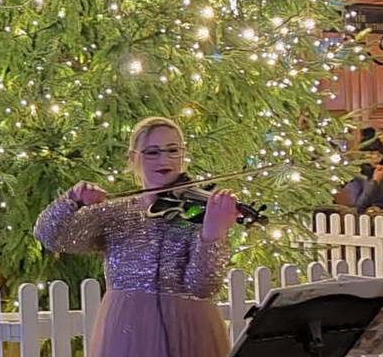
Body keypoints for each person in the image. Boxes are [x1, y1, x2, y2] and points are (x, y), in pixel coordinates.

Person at [34, 116, 238, 357]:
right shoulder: (118, 213)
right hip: (127, 329)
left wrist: (214, 233)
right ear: (133, 158)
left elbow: (203, 286)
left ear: (183, 154)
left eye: (173, 150)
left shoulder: (197, 212)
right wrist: (72, 200)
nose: (165, 159)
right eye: (152, 152)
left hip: (190, 328)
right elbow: (49, 235)